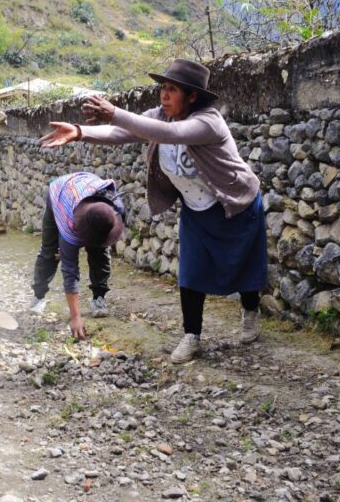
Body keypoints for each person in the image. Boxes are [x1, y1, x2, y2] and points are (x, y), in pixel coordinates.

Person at [40, 58, 266, 362]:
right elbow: (121, 133)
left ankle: (250, 312)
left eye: (173, 90)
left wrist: (116, 113)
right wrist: (80, 131)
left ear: (193, 96)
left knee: (244, 263)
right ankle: (191, 336)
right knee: (191, 271)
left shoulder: (208, 122)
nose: (164, 95)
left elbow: (168, 134)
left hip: (234, 203)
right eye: (163, 87)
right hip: (196, 209)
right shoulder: (160, 116)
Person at [29, 172, 125, 339]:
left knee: (100, 253)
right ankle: (38, 296)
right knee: (50, 252)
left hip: (85, 188)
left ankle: (99, 297)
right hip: (60, 193)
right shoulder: (69, 220)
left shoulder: (115, 210)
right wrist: (75, 317)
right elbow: (70, 270)